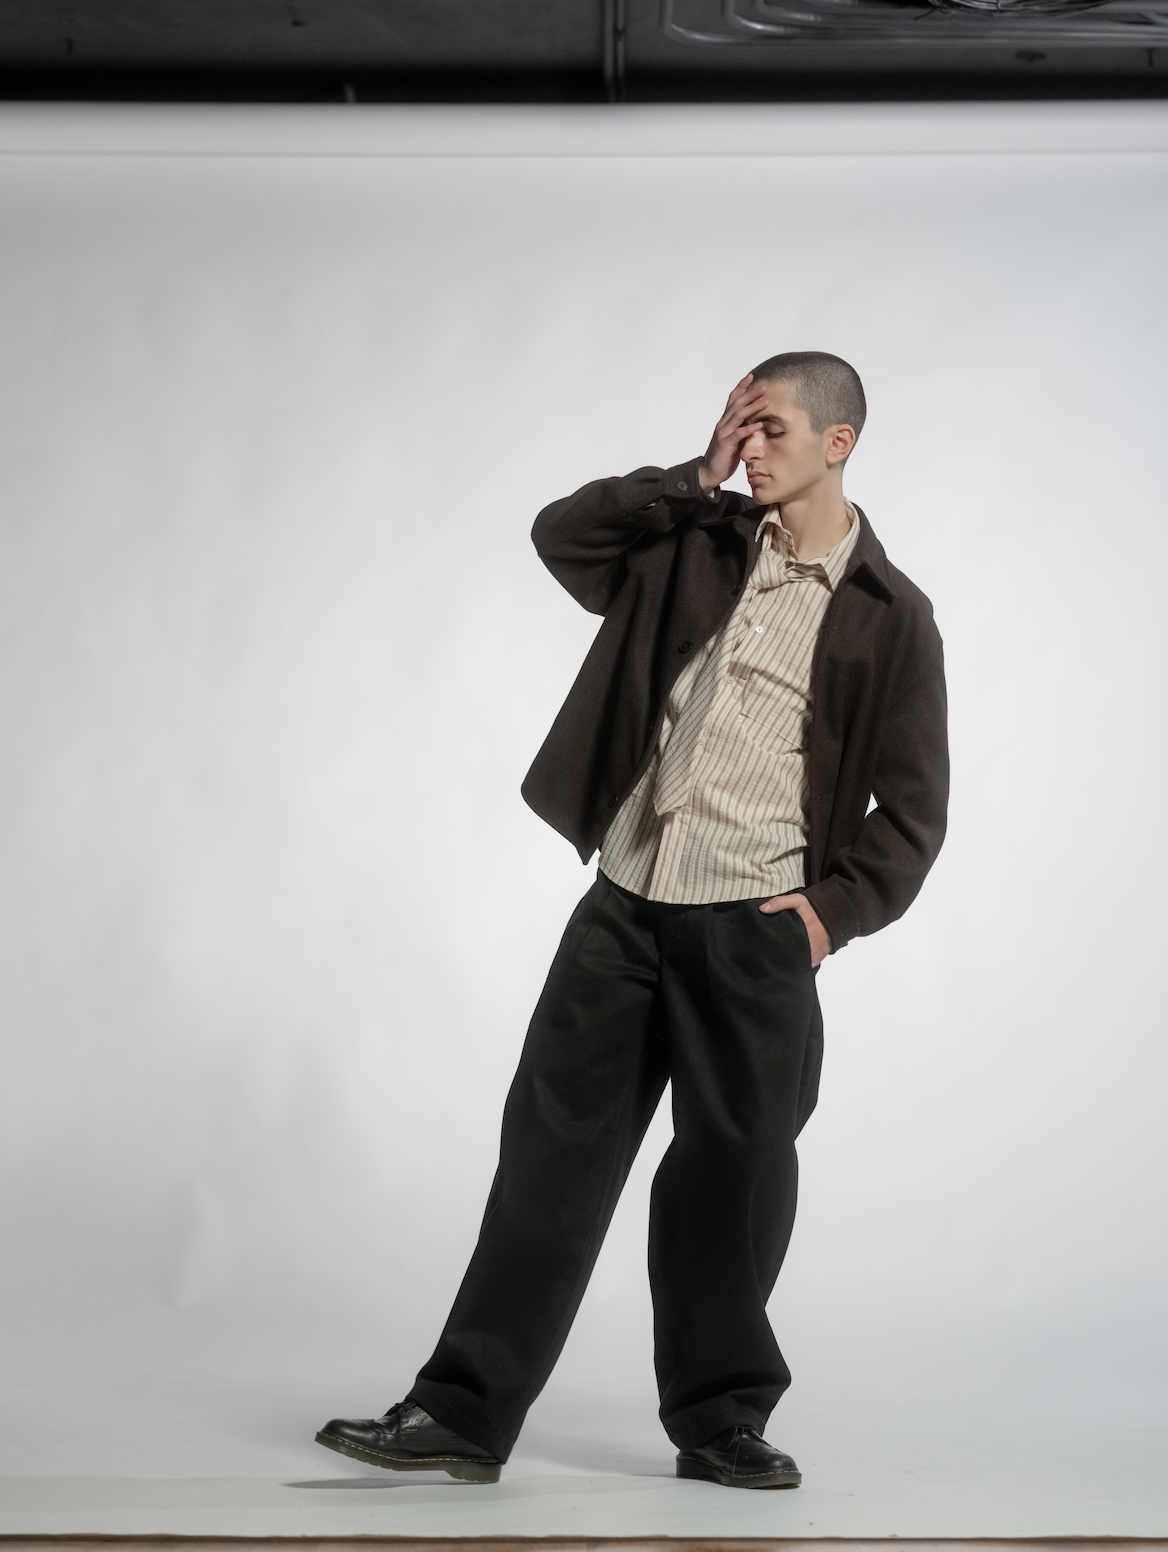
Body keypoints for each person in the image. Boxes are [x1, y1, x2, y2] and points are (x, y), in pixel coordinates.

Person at [316, 352, 949, 1490]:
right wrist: (690, 474)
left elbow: (912, 815)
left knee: (732, 1181)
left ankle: (719, 1423)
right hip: (623, 905)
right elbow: (562, 537)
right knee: (546, 1169)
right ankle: (461, 1411)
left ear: (838, 443)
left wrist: (824, 919)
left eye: (770, 431)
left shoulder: (889, 616)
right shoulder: (690, 542)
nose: (748, 447)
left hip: (753, 929)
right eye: (737, 426)